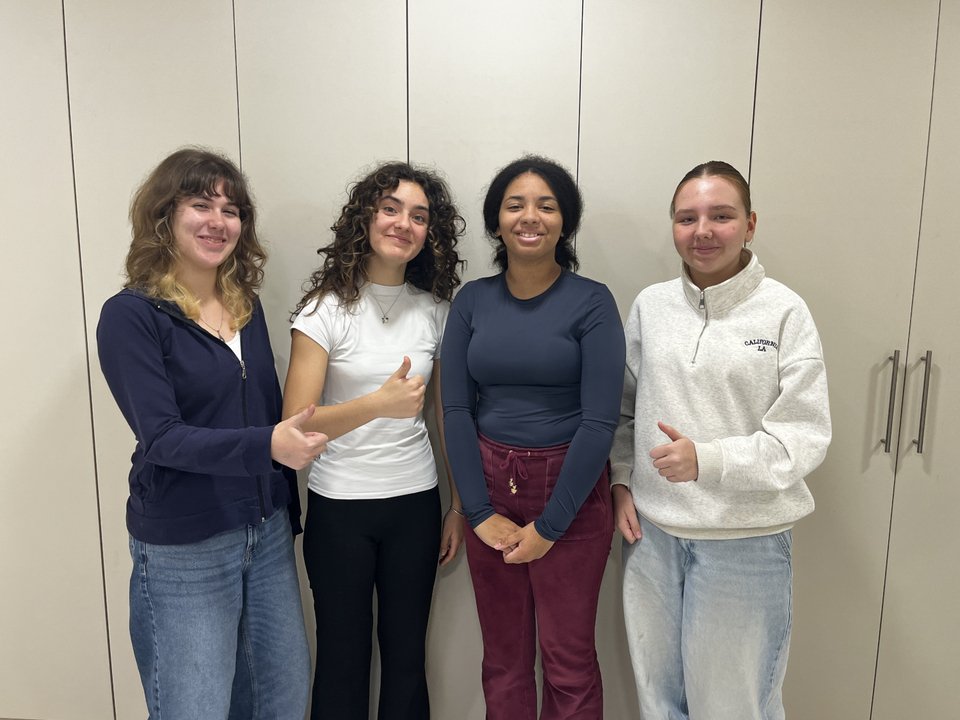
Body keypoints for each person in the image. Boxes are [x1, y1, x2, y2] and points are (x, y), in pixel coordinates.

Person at [97, 147, 326, 719]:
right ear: (165, 216)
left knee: (281, 700)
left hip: (266, 534)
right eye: (201, 205)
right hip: (186, 547)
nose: (218, 221)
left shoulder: (245, 306)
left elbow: (268, 411)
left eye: (231, 210)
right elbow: (162, 438)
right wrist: (268, 446)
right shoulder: (131, 315)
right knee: (194, 708)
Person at [611, 160, 832, 720]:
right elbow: (623, 412)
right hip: (652, 539)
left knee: (732, 708)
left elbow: (803, 437)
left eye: (721, 216)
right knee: (660, 704)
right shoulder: (650, 307)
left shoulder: (785, 311)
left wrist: (708, 460)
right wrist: (620, 482)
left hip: (745, 544)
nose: (702, 231)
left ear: (750, 224)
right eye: (687, 218)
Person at [441, 155, 625, 720]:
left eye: (547, 206)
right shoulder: (472, 301)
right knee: (504, 661)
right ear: (496, 221)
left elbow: (600, 421)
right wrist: (477, 512)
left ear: (564, 222)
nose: (530, 217)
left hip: (571, 488)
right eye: (515, 205)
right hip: (489, 486)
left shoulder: (593, 302)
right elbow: (455, 410)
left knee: (568, 663)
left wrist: (550, 527)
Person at [283, 161, 465, 720]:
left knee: (407, 661)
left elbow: (447, 417)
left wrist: (458, 505)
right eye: (391, 209)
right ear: (365, 217)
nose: (403, 224)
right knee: (342, 660)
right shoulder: (323, 311)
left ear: (429, 233)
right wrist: (377, 405)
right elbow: (294, 428)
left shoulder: (437, 312)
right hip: (340, 509)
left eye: (419, 216)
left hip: (415, 505)